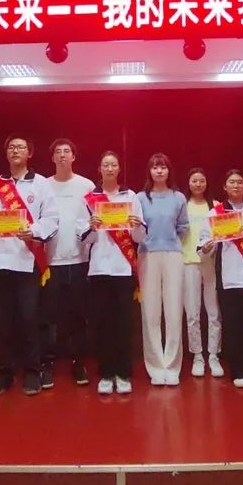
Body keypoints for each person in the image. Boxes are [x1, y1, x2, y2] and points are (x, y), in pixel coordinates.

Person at [0, 136, 59, 397]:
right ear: (6, 153)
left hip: (27, 259)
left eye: (21, 147)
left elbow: (51, 218)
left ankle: (32, 371)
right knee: (0, 321)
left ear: (29, 153)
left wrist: (33, 231)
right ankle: (4, 373)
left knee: (28, 318)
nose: (16, 151)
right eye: (11, 147)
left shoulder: (41, 184)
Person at [78, 151, 145, 395]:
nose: (109, 168)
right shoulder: (89, 199)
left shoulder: (131, 196)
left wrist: (136, 225)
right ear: (99, 168)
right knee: (103, 323)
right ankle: (106, 373)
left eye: (113, 164)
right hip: (98, 268)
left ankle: (123, 373)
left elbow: (139, 236)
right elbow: (83, 238)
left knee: (123, 323)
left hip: (123, 267)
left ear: (118, 169)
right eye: (105, 164)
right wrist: (92, 227)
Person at [199, 169, 243, 389]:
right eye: (232, 182)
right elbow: (204, 244)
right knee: (233, 324)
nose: (236, 186)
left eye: (240, 182)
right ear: (224, 187)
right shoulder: (216, 213)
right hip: (228, 277)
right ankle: (238, 371)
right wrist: (207, 246)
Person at [41, 138, 96, 389]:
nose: (62, 155)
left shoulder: (87, 185)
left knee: (79, 315)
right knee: (48, 316)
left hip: (78, 259)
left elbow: (94, 221)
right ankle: (46, 364)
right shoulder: (43, 185)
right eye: (58, 152)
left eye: (67, 151)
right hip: (50, 261)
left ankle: (79, 363)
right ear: (52, 157)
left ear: (74, 156)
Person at [137, 153, 189, 386]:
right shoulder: (140, 198)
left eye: (163, 167)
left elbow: (183, 226)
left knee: (174, 310)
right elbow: (136, 227)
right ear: (149, 171)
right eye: (155, 167)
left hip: (172, 255)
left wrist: (170, 241)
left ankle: (172, 366)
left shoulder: (178, 197)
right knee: (150, 312)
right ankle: (156, 367)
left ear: (169, 171)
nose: (159, 171)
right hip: (147, 254)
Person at [183, 168, 223, 378]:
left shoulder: (215, 206)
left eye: (202, 180)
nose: (198, 184)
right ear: (188, 183)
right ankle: (197, 355)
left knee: (214, 312)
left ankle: (213, 355)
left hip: (210, 263)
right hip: (188, 262)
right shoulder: (183, 205)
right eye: (194, 181)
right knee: (192, 313)